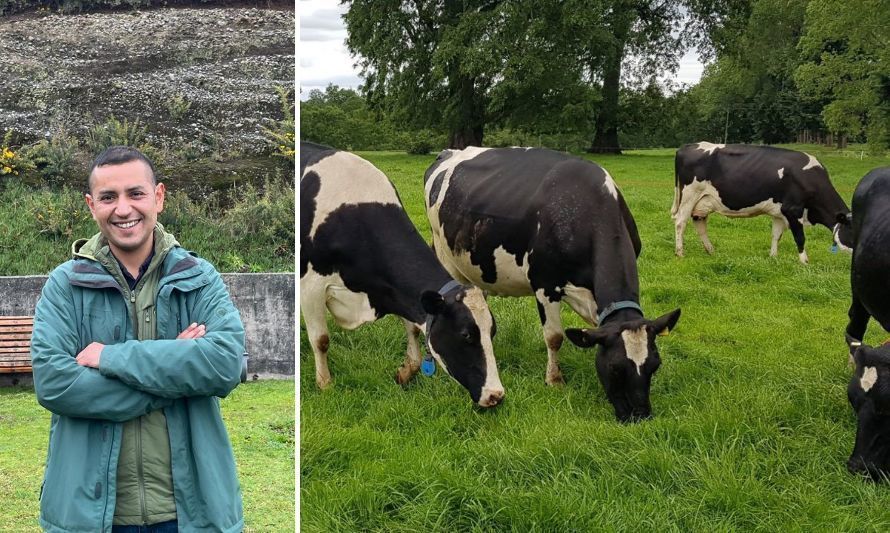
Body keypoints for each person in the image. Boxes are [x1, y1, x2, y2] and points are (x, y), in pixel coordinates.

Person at [31, 146, 246, 533]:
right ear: (90, 205)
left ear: (159, 197)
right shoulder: (64, 285)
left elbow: (225, 363)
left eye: (136, 193)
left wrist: (111, 359)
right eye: (108, 197)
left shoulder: (199, 277)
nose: (123, 209)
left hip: (189, 514)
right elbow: (55, 384)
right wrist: (176, 372)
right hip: (91, 517)